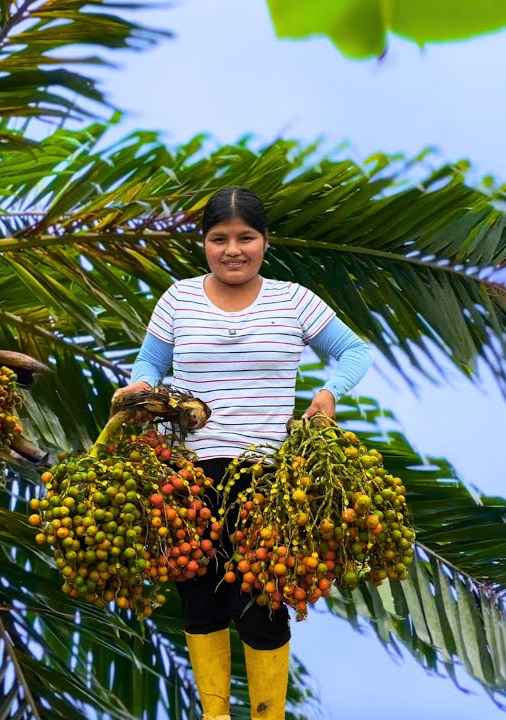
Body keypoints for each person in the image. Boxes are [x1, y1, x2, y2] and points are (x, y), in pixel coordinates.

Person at [114, 186, 373, 720]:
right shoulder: (178, 299)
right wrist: (139, 389)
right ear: (204, 244)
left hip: (268, 481)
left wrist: (327, 395)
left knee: (264, 608)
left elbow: (355, 351)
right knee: (200, 602)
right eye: (219, 239)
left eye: (245, 238)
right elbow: (149, 364)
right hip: (187, 479)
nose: (233, 250)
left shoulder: (293, 300)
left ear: (264, 242)